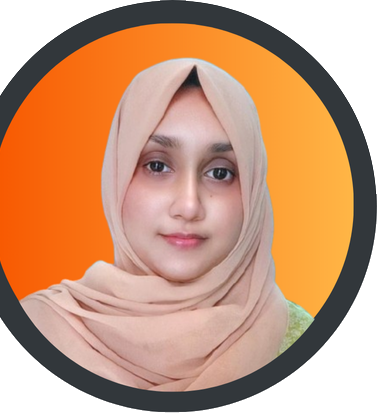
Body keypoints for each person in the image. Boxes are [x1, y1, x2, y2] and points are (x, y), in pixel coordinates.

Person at [20, 58, 313, 392]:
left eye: (220, 173)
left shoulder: (301, 341)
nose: (188, 206)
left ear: (253, 189)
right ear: (117, 176)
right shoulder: (34, 330)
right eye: (157, 166)